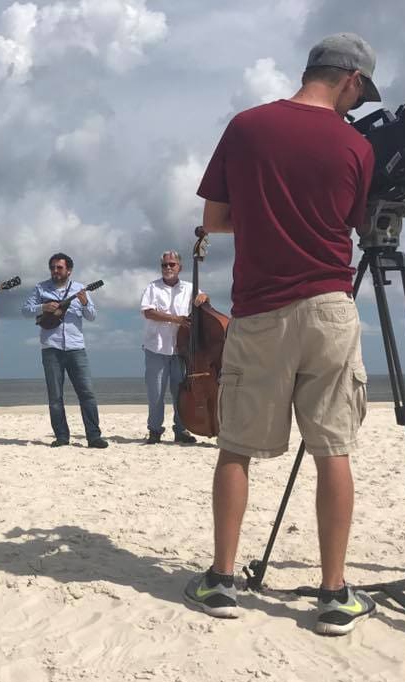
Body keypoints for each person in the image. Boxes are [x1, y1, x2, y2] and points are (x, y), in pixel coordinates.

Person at [183, 33, 379, 636]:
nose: (357, 102)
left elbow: (214, 219)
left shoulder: (246, 126)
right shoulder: (355, 145)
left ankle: (220, 581)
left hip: (260, 309)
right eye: (360, 91)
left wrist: (265, 216)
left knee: (236, 447)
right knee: (333, 448)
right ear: (349, 79)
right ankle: (333, 593)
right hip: (328, 304)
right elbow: (355, 223)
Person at [21, 253, 108, 449]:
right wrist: (44, 306)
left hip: (76, 348)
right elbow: (25, 310)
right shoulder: (40, 288)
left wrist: (85, 302)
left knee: (87, 393)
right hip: (51, 348)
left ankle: (94, 436)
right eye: (52, 267)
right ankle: (61, 437)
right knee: (55, 396)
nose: (55, 271)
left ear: (69, 270)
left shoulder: (80, 289)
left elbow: (92, 316)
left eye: (59, 268)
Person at [140, 250, 209, 444]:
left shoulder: (190, 288)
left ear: (180, 267)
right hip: (156, 347)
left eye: (172, 264)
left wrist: (204, 298)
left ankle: (181, 429)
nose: (168, 268)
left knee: (181, 393)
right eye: (165, 265)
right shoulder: (152, 287)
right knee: (156, 393)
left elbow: (202, 302)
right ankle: (154, 430)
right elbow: (148, 312)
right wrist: (175, 319)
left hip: (181, 349)